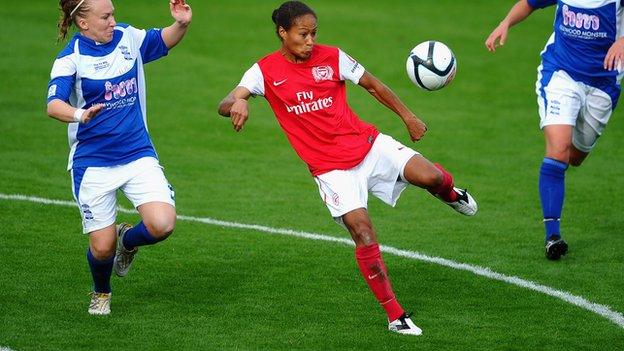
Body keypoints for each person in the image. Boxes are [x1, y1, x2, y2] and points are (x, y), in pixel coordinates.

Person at [218, 1, 477, 336]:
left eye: (314, 33)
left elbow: (373, 85)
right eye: (303, 34)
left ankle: (451, 192)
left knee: (432, 177)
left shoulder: (333, 57)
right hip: (331, 171)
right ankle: (395, 316)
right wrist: (238, 102)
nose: (310, 40)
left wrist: (408, 117)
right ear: (282, 33)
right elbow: (226, 101)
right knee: (363, 232)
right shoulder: (263, 72)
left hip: (367, 145)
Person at [46, 0, 192, 315]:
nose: (114, 21)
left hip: (137, 152)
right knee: (101, 247)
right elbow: (53, 104)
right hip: (93, 163)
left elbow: (162, 40)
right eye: (106, 16)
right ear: (83, 23)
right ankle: (101, 291)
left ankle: (128, 240)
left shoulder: (127, 38)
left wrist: (180, 24)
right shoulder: (71, 60)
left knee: (162, 224)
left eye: (113, 14)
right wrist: (79, 113)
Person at [485, 0, 624, 260]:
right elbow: (529, 3)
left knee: (575, 157)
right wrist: (506, 22)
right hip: (561, 73)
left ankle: (557, 171)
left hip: (603, 83)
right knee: (558, 150)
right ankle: (553, 236)